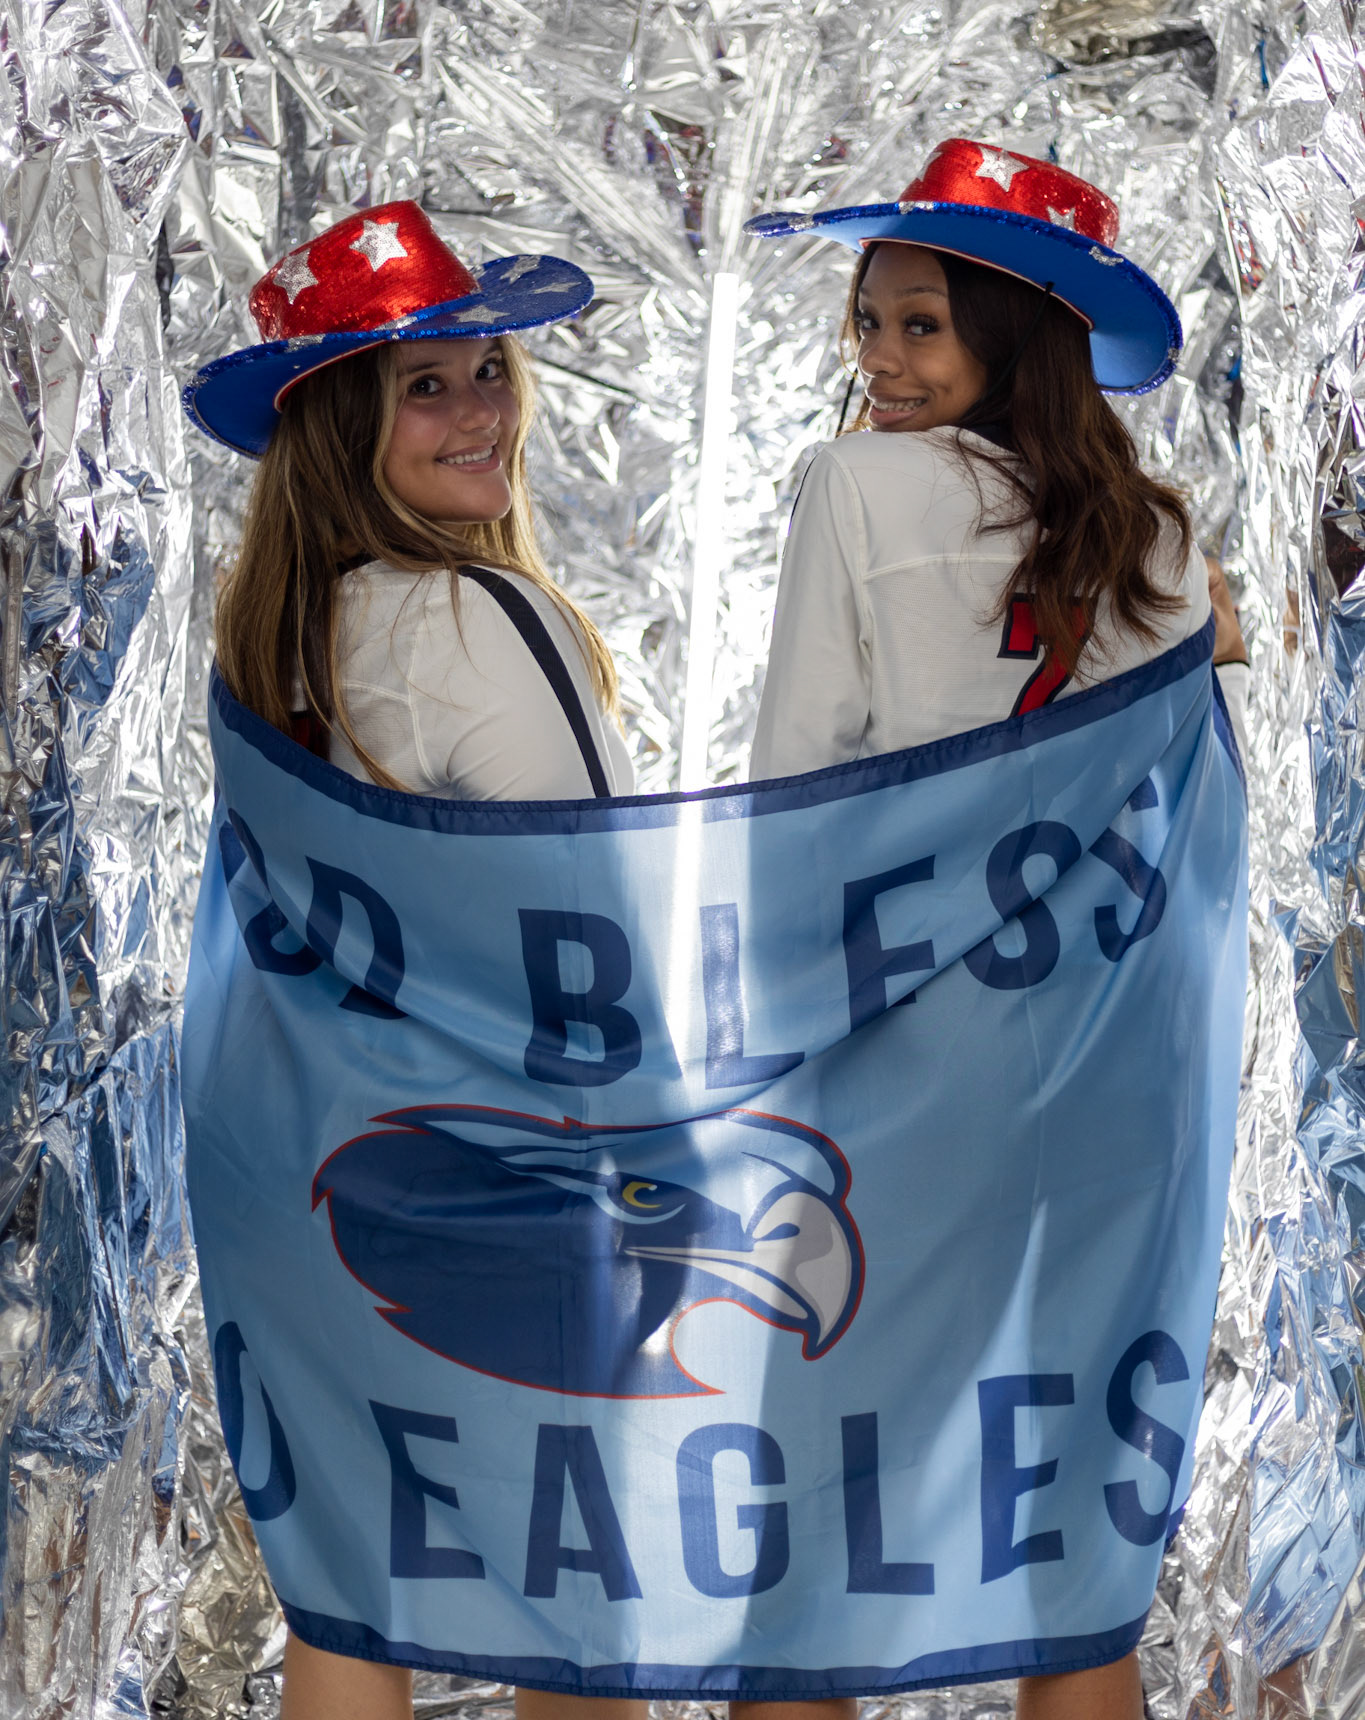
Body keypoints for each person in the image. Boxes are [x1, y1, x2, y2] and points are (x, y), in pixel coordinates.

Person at [745, 137, 1249, 1720]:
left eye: (920, 326)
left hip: (911, 1041)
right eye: (870, 321)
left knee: (817, 1485)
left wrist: (765, 1027)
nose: (880, 362)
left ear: (1006, 339)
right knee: (1070, 1504)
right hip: (1113, 1062)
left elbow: (802, 776)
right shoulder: (1153, 532)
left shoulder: (855, 487)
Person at [184, 200, 635, 1720]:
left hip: (300, 1167)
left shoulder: (281, 636)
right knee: (578, 1599)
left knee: (355, 1596)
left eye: (488, 367)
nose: (477, 409)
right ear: (343, 427)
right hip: (501, 1163)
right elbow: (587, 916)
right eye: (423, 384)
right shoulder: (477, 615)